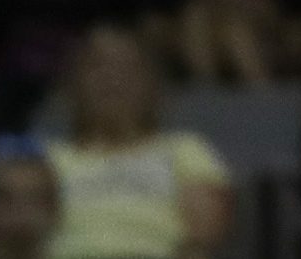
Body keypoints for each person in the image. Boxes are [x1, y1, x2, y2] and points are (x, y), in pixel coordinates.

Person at [41, 31, 232, 259]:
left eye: (127, 69)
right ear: (71, 87)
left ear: (153, 87)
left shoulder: (185, 149)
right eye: (97, 67)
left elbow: (202, 240)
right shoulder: (46, 157)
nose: (112, 78)